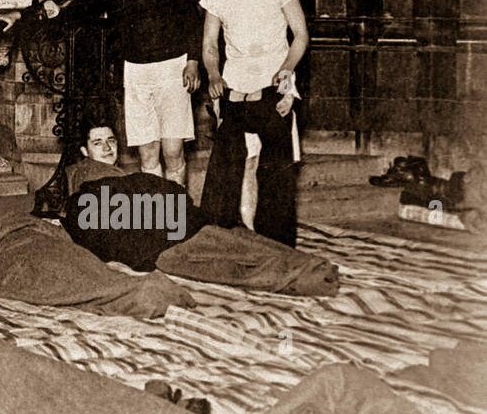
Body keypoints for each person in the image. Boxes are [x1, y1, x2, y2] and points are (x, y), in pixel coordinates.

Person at [0, 0, 202, 185]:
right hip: (136, 73)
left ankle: (180, 218)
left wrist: (193, 61)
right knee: (148, 155)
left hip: (172, 69)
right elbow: (64, 4)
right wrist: (21, 15)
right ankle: (159, 221)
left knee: (173, 152)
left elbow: (191, 16)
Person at [55, 118, 337, 295]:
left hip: (165, 235)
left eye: (111, 141)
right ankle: (306, 272)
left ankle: (305, 271)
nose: (107, 148)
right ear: (84, 151)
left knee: (234, 251)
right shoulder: (87, 173)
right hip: (160, 244)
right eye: (97, 143)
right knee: (232, 258)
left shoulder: (115, 175)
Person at [199, 0, 309, 246]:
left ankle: (273, 242)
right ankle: (234, 238)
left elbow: (300, 35)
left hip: (274, 86)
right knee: (235, 165)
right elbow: (208, 45)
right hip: (235, 89)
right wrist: (214, 75)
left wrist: (287, 71)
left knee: (274, 168)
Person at [0, 195, 193, 318]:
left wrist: (55, 236)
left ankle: (138, 291)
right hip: (13, 263)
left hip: (38, 243)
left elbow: (30, 223)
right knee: (67, 284)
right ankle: (142, 294)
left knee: (83, 268)